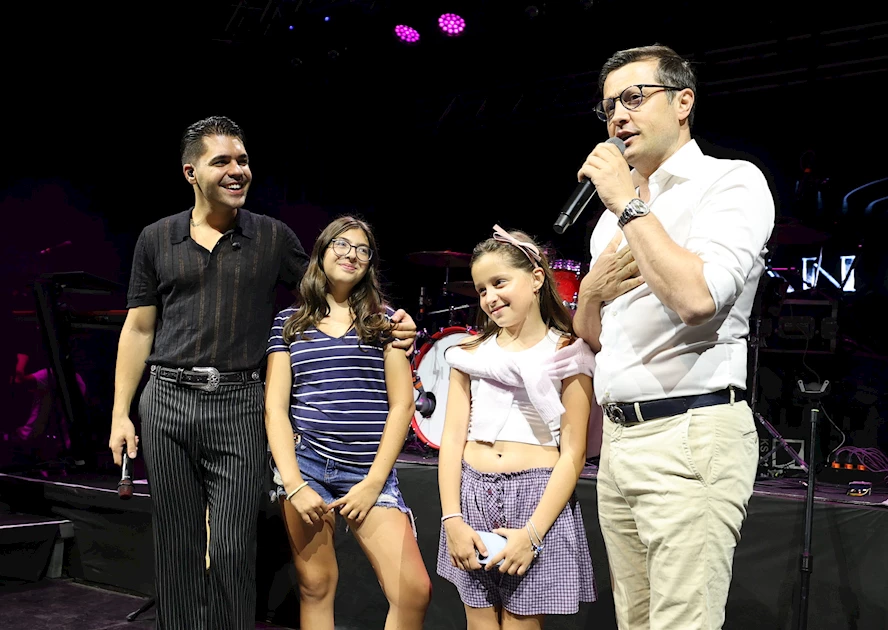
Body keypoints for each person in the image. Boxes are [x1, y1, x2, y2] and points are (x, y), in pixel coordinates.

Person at [107, 116, 417, 630]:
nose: (238, 170)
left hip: (239, 404)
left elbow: (330, 290)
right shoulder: (156, 238)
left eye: (244, 160)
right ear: (190, 172)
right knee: (178, 544)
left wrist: (392, 322)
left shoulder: (271, 236)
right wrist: (121, 412)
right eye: (222, 161)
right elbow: (139, 329)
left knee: (233, 546)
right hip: (166, 400)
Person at [572, 44, 775, 629]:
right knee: (634, 620)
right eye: (609, 106)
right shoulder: (611, 219)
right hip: (619, 441)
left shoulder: (729, 182)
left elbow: (697, 299)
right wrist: (588, 294)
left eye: (635, 98)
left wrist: (626, 203)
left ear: (683, 102)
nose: (618, 116)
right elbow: (596, 340)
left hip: (690, 432)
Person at [264, 215, 431, 629]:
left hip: (368, 472)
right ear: (321, 252)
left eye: (362, 249)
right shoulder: (288, 322)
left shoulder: (385, 322)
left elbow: (402, 406)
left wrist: (374, 482)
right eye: (341, 244)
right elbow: (275, 409)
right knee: (316, 586)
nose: (351, 254)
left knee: (413, 590)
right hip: (306, 468)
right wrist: (294, 484)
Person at [437, 225, 597, 629]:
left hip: (536, 500)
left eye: (499, 282)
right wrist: (451, 518)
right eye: (481, 290)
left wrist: (532, 534)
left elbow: (573, 453)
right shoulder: (470, 354)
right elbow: (452, 440)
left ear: (536, 278)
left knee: (521, 622)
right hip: (472, 495)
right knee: (479, 623)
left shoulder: (567, 353)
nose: (489, 297)